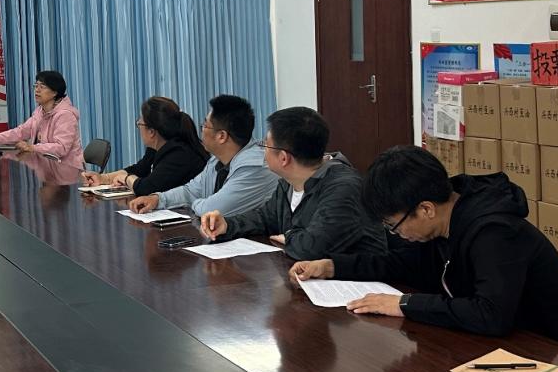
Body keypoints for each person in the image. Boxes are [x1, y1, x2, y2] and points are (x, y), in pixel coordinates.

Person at [290, 145, 558, 342]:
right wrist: (332, 266)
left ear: (425, 209)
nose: (396, 234)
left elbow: (490, 315)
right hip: (492, 343)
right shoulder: (443, 223)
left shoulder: (495, 232)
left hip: (546, 349)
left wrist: (404, 304)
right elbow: (403, 265)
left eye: (393, 225)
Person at [200, 106, 385, 260]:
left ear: (283, 158)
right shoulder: (288, 183)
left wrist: (289, 236)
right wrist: (228, 224)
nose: (262, 151)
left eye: (265, 145)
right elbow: (265, 218)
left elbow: (312, 248)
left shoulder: (344, 188)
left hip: (356, 287)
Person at [129, 94, 276, 217]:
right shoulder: (217, 160)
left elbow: (211, 210)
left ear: (222, 136)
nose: (202, 131)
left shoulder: (255, 167)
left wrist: (198, 202)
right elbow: (190, 191)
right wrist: (157, 199)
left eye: (205, 126)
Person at [81, 96, 207, 195]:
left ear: (151, 131)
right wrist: (103, 178)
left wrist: (126, 179)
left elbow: (146, 187)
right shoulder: (157, 147)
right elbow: (139, 169)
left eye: (139, 124)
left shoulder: (179, 153)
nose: (138, 128)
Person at [0, 70, 84, 168]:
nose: (37, 90)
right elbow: (21, 131)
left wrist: (33, 148)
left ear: (55, 92)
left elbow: (61, 148)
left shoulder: (65, 115)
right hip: (46, 167)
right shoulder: (40, 111)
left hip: (68, 170)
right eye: (36, 86)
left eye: (42, 87)